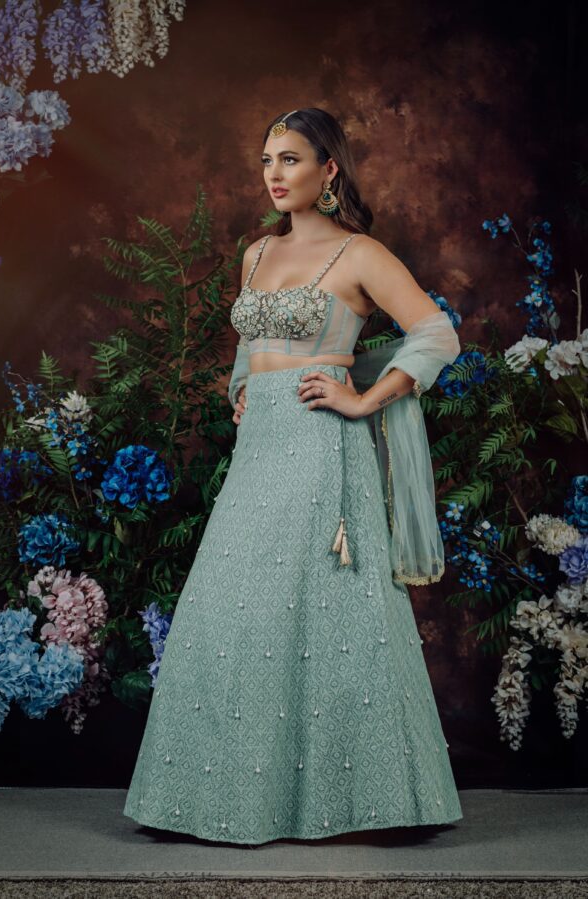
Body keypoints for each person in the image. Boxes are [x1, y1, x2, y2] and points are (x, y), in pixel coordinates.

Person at [123, 107, 463, 845]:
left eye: (292, 160)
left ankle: (368, 803)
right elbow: (254, 342)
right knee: (233, 606)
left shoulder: (361, 254)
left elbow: (437, 332)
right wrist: (243, 385)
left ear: (329, 170)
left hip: (320, 443)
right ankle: (217, 799)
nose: (275, 175)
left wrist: (365, 397)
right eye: (267, 161)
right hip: (262, 445)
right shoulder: (255, 254)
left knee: (328, 611)